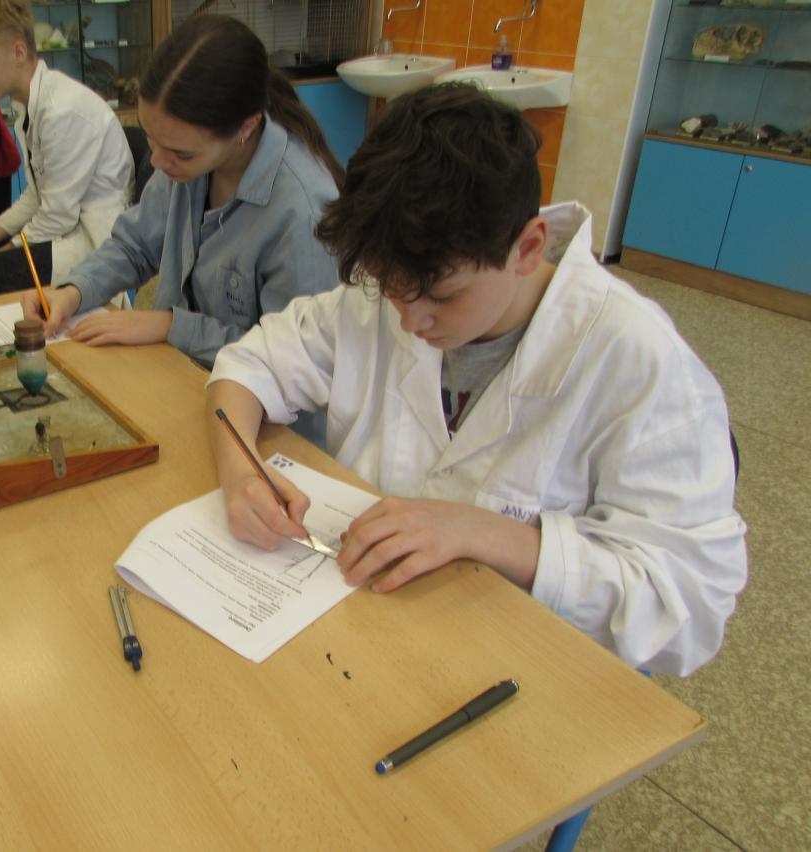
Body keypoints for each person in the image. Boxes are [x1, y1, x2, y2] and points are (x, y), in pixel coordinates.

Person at [207, 83, 748, 676]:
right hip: (375, 637)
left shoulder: (636, 361)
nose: (411, 322)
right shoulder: (389, 295)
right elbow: (247, 367)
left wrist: (489, 534)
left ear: (528, 247)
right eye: (391, 288)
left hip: (528, 671)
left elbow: (690, 612)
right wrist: (242, 474)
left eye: (442, 297)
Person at [23, 14, 342, 368]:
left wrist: (172, 326)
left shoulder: (302, 213)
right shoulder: (186, 163)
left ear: (245, 127)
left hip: (253, 398)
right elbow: (135, 245)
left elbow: (296, 357)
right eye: (150, 138)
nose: (157, 162)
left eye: (181, 153)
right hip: (176, 372)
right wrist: (75, 291)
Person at [0, 0, 134, 303]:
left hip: (87, 239)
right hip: (60, 228)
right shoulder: (27, 106)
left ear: (18, 52)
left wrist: (1, 252)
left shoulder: (62, 110)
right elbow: (35, 197)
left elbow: (57, 217)